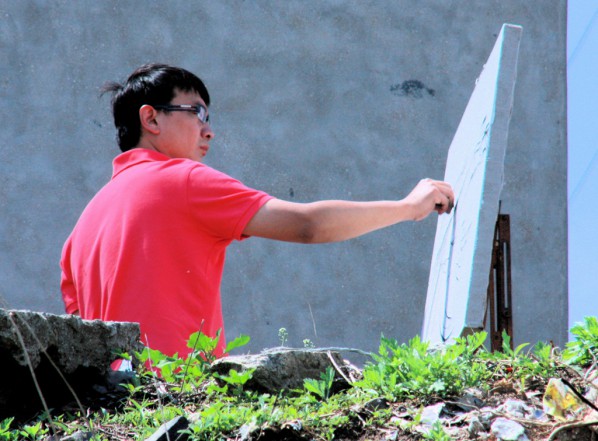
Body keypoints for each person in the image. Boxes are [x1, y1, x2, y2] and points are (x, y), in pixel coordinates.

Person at [60, 63, 454, 359]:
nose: (208, 130)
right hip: (178, 401)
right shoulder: (181, 179)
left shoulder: (81, 231)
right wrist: (408, 206)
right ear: (151, 118)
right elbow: (307, 225)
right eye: (196, 112)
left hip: (113, 414)